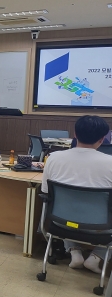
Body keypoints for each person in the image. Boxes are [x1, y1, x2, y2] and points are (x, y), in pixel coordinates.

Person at [41, 115, 112, 274]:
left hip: (61, 223)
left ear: (75, 134)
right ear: (102, 139)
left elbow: (45, 192)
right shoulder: (110, 163)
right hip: (100, 228)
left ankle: (74, 252)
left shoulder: (54, 158)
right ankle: (96, 257)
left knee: (66, 210)